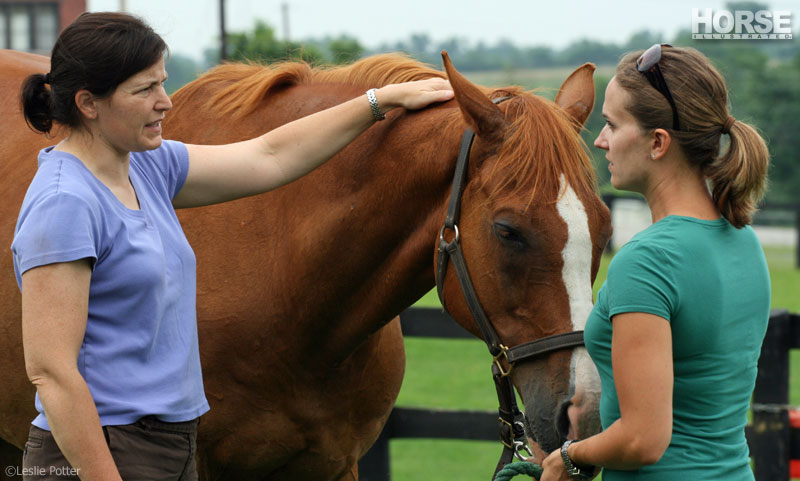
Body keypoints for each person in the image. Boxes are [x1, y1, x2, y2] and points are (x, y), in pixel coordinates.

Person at [13, 11, 453, 481]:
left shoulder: (144, 167)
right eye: (144, 90)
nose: (165, 103)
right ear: (88, 103)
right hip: (102, 450)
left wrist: (378, 101)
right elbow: (53, 374)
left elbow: (269, 156)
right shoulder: (65, 203)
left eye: (162, 83)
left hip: (168, 443)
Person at [540, 44, 770, 480]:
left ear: (658, 142)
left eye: (611, 125)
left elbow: (643, 438)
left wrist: (566, 458)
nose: (601, 140)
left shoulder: (647, 262)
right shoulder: (745, 243)